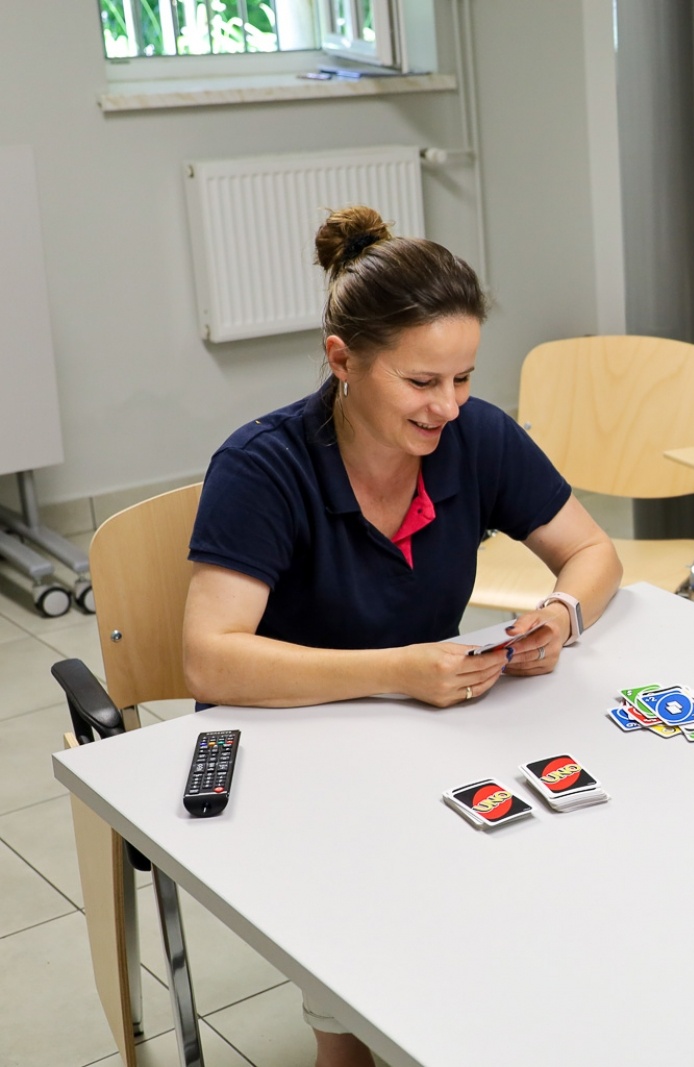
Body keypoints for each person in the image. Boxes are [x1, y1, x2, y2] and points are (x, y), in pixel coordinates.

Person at [183, 206, 622, 1066]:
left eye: (463, 377)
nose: (450, 407)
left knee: (532, 920)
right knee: (362, 989)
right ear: (342, 360)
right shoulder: (262, 465)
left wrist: (560, 615)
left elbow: (592, 550)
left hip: (427, 729)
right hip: (295, 746)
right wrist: (399, 672)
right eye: (423, 382)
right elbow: (211, 655)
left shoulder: (476, 435)